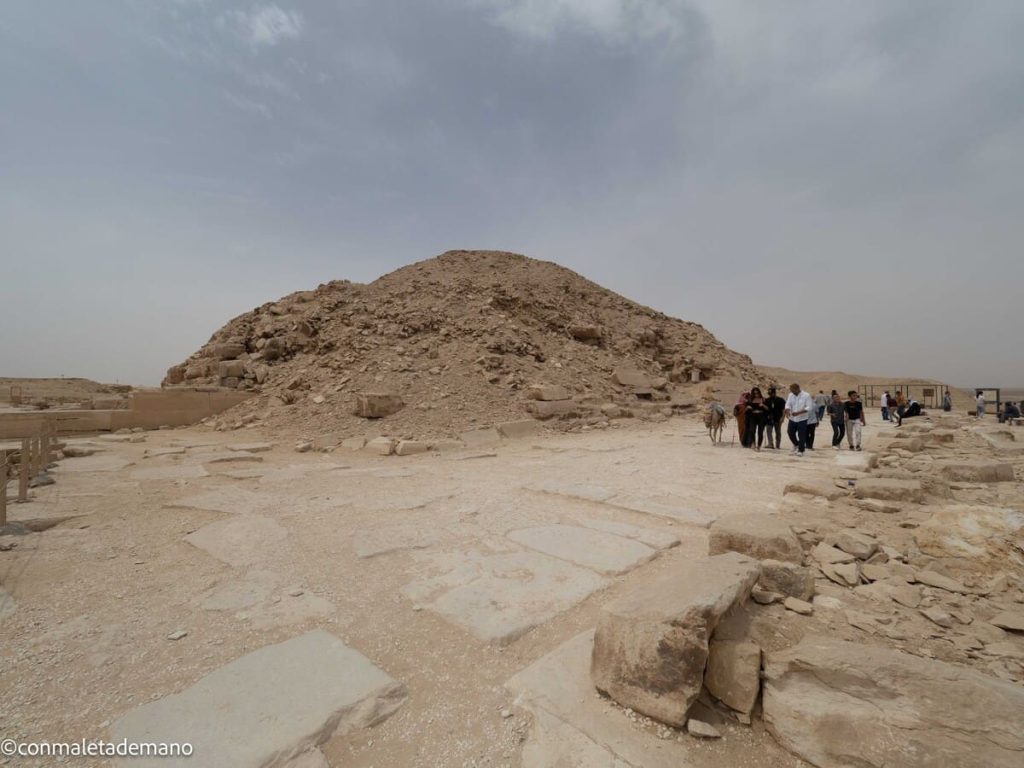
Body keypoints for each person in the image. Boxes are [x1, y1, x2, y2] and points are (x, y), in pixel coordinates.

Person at [784, 383, 813, 456]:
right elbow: (788, 404)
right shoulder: (790, 395)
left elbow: (809, 407)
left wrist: (799, 413)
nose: (792, 392)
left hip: (802, 419)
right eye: (791, 391)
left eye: (793, 390)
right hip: (792, 418)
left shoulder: (806, 395)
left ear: (797, 389)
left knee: (801, 435)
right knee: (790, 432)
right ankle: (796, 444)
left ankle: (801, 450)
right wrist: (787, 411)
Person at [745, 387, 770, 451]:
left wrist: (763, 405)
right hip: (752, 416)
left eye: (757, 393)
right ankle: (753, 443)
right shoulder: (750, 400)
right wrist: (748, 407)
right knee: (752, 430)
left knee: (760, 432)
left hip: (761, 417)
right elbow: (745, 409)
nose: (756, 394)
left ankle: (759, 445)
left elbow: (768, 409)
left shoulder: (764, 399)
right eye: (754, 393)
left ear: (759, 393)